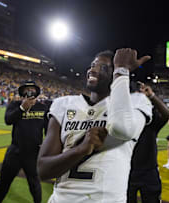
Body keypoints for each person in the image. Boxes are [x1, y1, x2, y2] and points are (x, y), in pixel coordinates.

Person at [37, 48, 152, 203]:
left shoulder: (136, 101)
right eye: (92, 65)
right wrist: (80, 150)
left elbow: (122, 129)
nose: (93, 69)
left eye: (103, 68)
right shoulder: (63, 104)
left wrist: (122, 71)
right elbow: (43, 170)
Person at [0, 81, 49, 203]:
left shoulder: (43, 107)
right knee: (3, 183)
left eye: (32, 89)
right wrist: (23, 108)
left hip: (33, 153)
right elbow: (8, 120)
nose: (29, 92)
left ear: (37, 92)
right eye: (26, 89)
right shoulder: (15, 105)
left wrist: (47, 144)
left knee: (34, 184)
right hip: (15, 151)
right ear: (22, 92)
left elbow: (48, 129)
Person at [128, 82, 169, 203]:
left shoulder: (151, 121)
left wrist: (151, 95)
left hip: (149, 171)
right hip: (127, 169)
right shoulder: (124, 120)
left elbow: (166, 115)